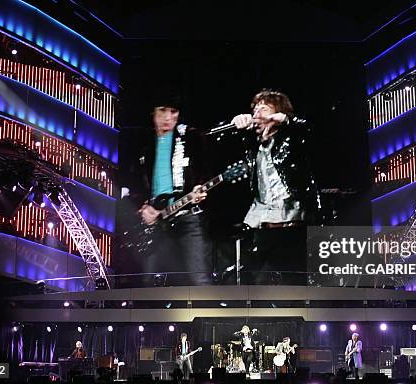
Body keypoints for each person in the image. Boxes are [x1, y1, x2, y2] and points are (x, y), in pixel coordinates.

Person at [230, 90, 321, 285]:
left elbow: (312, 128)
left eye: (264, 108)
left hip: (291, 225)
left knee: (294, 283)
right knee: (253, 282)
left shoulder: (294, 139)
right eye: (255, 109)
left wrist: (286, 120)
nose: (257, 113)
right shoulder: (253, 145)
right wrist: (236, 123)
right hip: (261, 225)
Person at [130, 92, 213, 286]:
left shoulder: (192, 137)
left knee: (198, 278)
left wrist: (200, 186)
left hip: (187, 216)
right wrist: (142, 207)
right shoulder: (143, 144)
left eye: (173, 111)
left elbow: (206, 168)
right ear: (153, 113)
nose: (168, 117)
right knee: (148, 281)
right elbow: (132, 182)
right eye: (162, 111)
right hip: (154, 222)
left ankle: (206, 316)